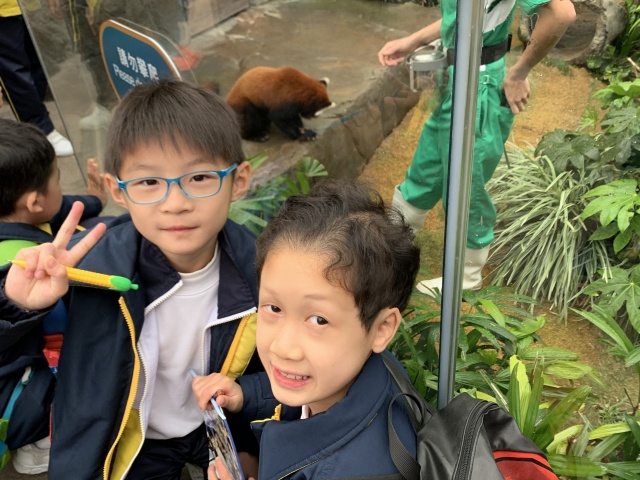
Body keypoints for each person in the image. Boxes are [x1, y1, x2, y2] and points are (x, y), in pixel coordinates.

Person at [0, 79, 262, 480]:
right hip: (126, 441)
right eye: (148, 182)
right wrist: (16, 306)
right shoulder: (86, 269)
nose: (176, 203)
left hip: (212, 428)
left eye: (200, 177)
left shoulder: (262, 270)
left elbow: (281, 370)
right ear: (117, 190)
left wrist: (250, 440)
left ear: (238, 180)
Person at [192, 180, 422, 479]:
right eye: (274, 308)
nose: (283, 347)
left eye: (318, 320)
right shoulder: (358, 371)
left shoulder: (358, 472)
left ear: (381, 329)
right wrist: (245, 396)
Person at [377, 0, 576, 292]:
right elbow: (467, 16)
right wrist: (413, 41)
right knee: (425, 170)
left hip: (478, 85)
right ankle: (393, 247)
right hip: (455, 79)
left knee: (466, 186)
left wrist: (519, 72)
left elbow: (562, 13)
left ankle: (467, 275)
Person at [0, 118, 107, 474]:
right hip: (14, 401)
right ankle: (40, 438)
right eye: (58, 179)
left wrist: (94, 201)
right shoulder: (31, 268)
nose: (62, 188)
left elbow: (58, 207)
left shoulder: (17, 211)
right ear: (33, 202)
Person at [0, 0, 75, 157]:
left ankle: (35, 125)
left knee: (37, 63)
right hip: (3, 11)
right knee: (15, 72)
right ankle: (41, 129)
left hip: (25, 6)